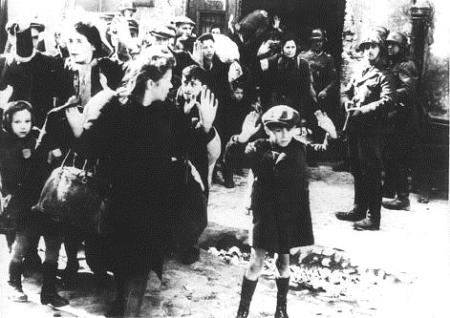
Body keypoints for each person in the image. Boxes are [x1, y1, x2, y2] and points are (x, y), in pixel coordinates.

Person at [71, 46, 217, 317]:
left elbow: (187, 146)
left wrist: (205, 126)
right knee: (128, 275)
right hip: (119, 207)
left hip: (153, 211)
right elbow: (89, 149)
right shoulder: (114, 106)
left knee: (135, 276)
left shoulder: (168, 112)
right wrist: (79, 129)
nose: (172, 84)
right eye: (168, 80)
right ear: (151, 82)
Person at [226, 106, 316, 318]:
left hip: (287, 216)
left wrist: (331, 135)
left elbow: (325, 151)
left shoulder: (300, 149)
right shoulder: (259, 148)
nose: (283, 135)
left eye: (288, 129)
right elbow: (232, 161)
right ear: (268, 130)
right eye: (277, 130)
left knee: (283, 262)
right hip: (265, 214)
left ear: (295, 129)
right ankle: (243, 310)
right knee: (256, 260)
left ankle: (281, 309)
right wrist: (241, 138)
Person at [2, 101, 69, 307]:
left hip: (46, 201)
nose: (23, 125)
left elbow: (49, 162)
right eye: (17, 121)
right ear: (8, 123)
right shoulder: (6, 144)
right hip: (24, 204)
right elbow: (13, 175)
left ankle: (48, 290)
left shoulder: (36, 139)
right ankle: (14, 283)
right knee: (21, 245)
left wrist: (51, 153)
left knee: (53, 245)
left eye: (27, 121)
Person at [335, 31, 394, 231]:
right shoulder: (360, 70)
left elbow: (388, 101)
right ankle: (359, 209)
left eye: (373, 47)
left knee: (372, 173)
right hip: (354, 127)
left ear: (381, 50)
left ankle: (373, 217)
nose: (369, 51)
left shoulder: (385, 74)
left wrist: (363, 110)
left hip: (372, 130)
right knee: (357, 170)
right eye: (366, 47)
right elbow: (347, 90)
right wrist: (346, 103)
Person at [382, 31, 418, 210]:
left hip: (403, 118)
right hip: (394, 116)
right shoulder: (393, 63)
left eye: (393, 45)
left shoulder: (405, 65)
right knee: (389, 153)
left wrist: (391, 94)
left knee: (398, 157)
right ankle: (388, 190)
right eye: (388, 44)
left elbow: (409, 90)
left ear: (401, 47)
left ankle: (403, 198)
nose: (389, 47)